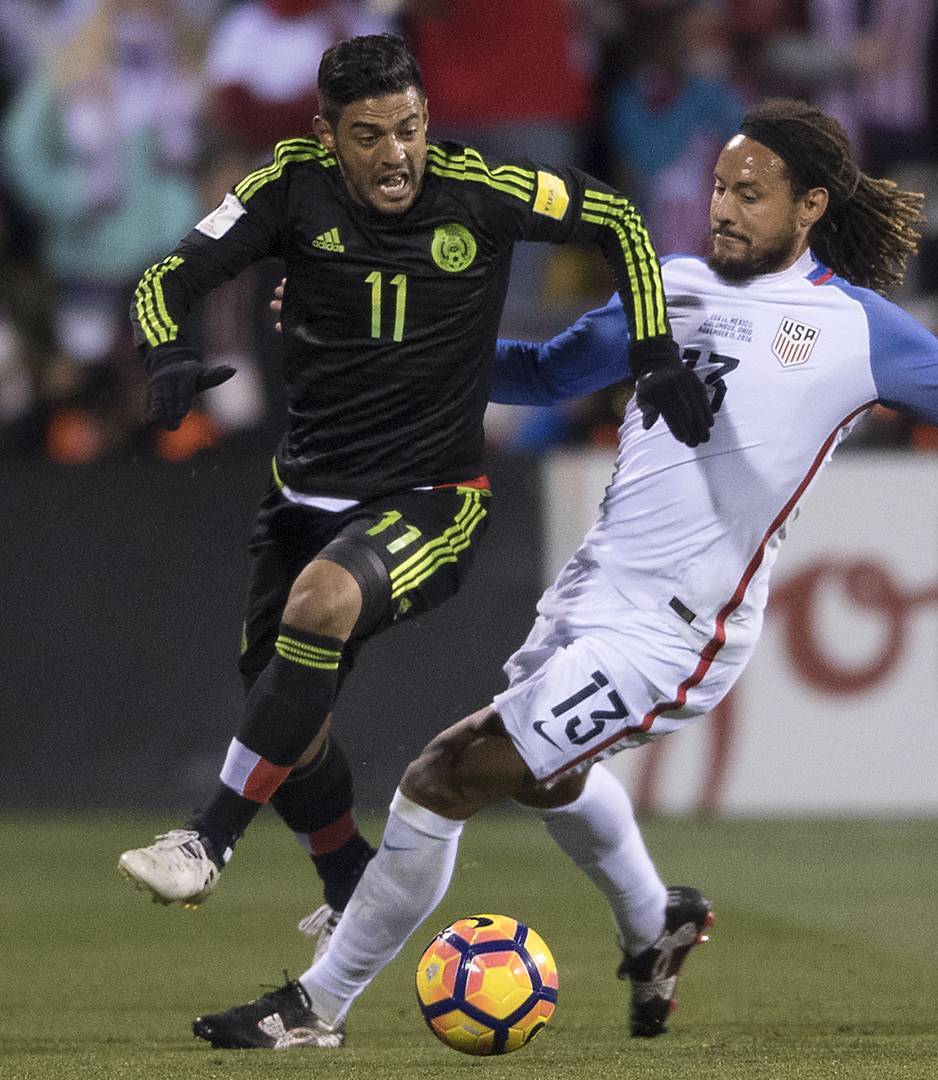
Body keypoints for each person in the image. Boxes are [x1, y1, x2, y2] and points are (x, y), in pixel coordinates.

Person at [188, 97, 938, 1049]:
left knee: (447, 773)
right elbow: (540, 373)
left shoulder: (858, 330)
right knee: (542, 778)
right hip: (590, 595)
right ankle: (657, 923)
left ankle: (317, 1007)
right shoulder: (674, 285)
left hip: (678, 630)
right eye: (718, 188)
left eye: (751, 193)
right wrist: (378, 332)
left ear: (812, 205)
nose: (724, 208)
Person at [117, 34, 712, 927]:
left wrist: (654, 351)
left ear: (428, 119)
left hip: (434, 499)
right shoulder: (286, 187)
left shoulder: (484, 189)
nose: (395, 155)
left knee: (317, 610)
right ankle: (352, 885)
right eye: (368, 135)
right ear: (326, 136)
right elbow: (168, 276)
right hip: (301, 499)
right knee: (285, 715)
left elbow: (622, 223)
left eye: (408, 129)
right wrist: (167, 355)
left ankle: (207, 840)